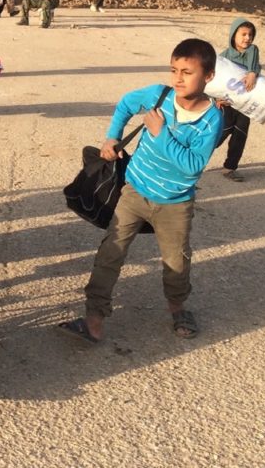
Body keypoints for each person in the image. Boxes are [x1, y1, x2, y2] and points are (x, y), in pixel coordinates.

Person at [57, 38, 224, 343]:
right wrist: (111, 137)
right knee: (111, 252)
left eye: (187, 72)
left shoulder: (212, 119)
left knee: (176, 261)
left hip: (175, 203)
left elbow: (193, 165)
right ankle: (93, 319)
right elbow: (126, 104)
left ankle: (178, 308)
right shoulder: (159, 96)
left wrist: (160, 135)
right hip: (135, 191)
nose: (178, 78)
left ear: (208, 76)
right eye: (174, 70)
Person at [215, 18, 261, 181]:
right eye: (243, 34)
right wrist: (217, 98)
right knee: (220, 133)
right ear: (233, 35)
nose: (247, 38)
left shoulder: (252, 51)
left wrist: (252, 73)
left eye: (250, 34)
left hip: (245, 103)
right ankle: (192, 161)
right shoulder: (223, 57)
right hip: (226, 104)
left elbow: (253, 65)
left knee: (240, 134)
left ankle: (230, 168)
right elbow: (214, 80)